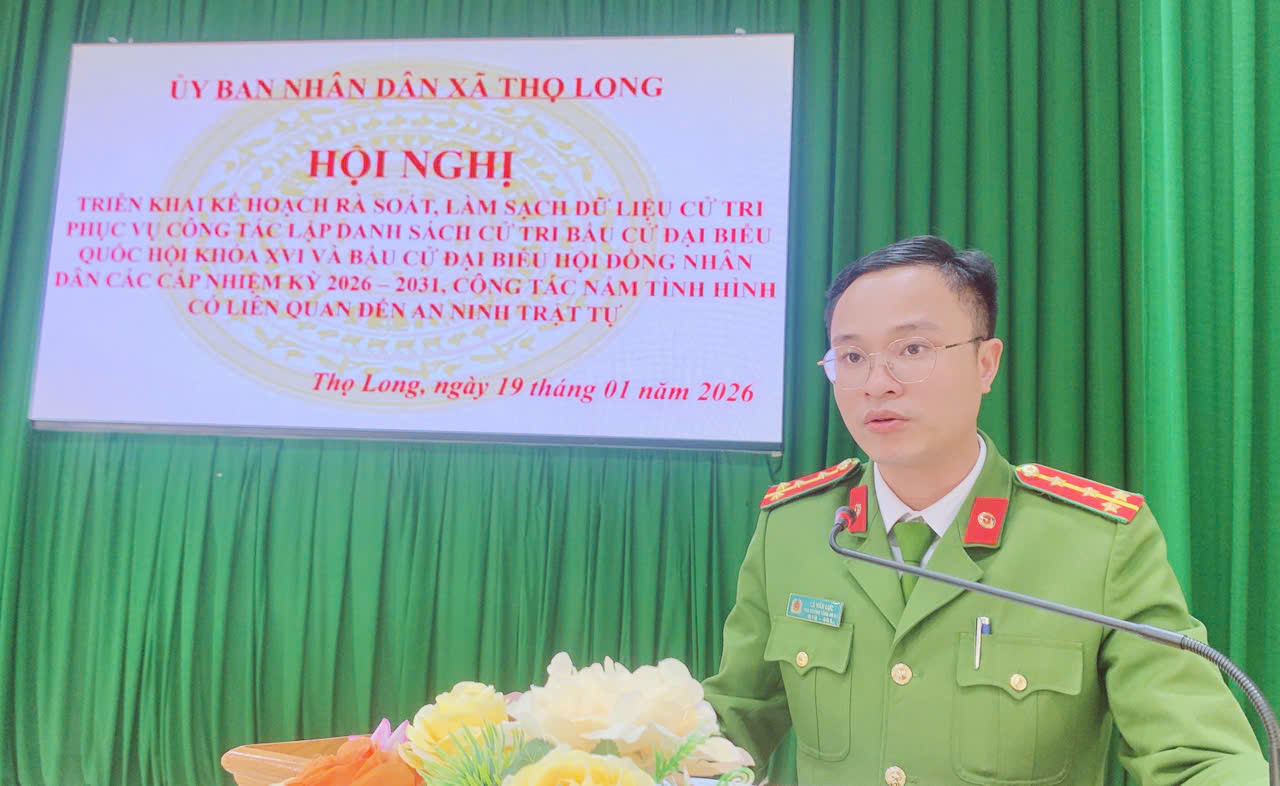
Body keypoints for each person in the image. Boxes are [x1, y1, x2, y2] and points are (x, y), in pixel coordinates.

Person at [701, 236, 1268, 785]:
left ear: (986, 364)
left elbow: (1199, 757)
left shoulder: (1096, 544)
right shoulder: (796, 528)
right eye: (851, 356)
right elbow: (731, 723)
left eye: (912, 350)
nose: (877, 383)